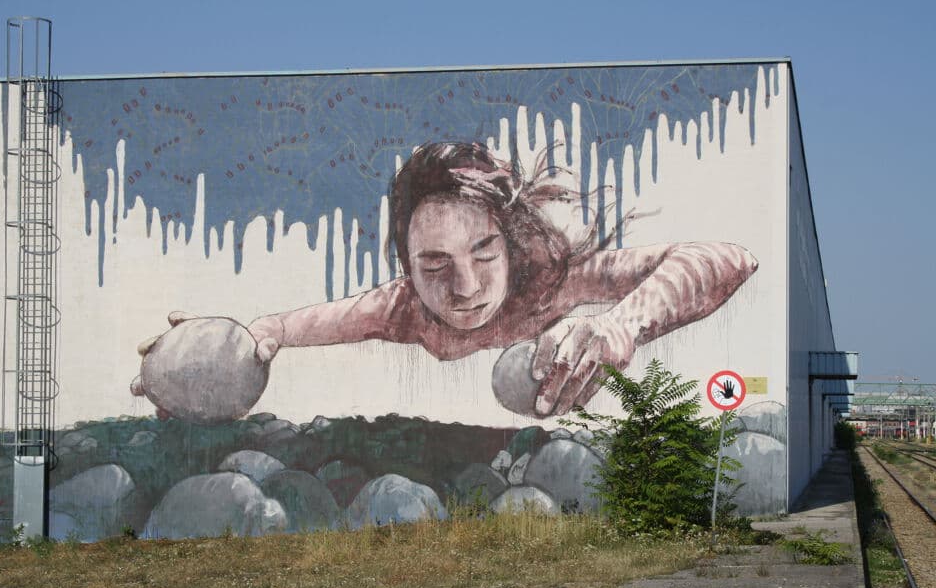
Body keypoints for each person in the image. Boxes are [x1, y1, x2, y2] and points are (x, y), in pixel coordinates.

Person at [133, 142, 758, 419]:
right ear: (407, 268)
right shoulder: (402, 309)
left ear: (512, 246)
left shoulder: (552, 283)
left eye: (484, 252)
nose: (465, 287)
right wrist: (201, 357)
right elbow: (278, 329)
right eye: (434, 266)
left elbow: (729, 257)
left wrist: (622, 323)